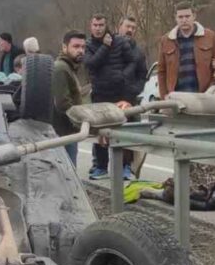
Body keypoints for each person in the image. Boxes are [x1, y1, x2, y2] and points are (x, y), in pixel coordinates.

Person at [85, 13, 139, 180]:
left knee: (123, 131)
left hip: (120, 94)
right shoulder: (88, 45)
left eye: (101, 25)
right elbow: (91, 64)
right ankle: (101, 167)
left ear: (106, 25)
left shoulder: (120, 42)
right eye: (95, 25)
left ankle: (126, 167)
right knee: (101, 133)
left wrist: (124, 76)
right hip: (100, 94)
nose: (98, 28)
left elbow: (132, 61)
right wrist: (105, 47)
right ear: (91, 26)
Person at [157, 1, 215, 96]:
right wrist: (164, 97)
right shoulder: (166, 40)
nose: (184, 20)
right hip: (176, 97)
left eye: (187, 16)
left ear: (194, 16)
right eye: (180, 17)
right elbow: (161, 71)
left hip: (203, 96)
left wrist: (211, 91)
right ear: (175, 18)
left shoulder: (209, 36)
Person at [52, 30, 90, 167]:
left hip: (68, 132)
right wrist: (83, 121)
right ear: (64, 47)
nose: (80, 50)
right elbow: (62, 103)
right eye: (76, 46)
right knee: (68, 174)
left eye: (83, 47)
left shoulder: (69, 67)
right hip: (63, 133)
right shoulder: (60, 68)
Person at [118, 15, 150, 99]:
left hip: (129, 100)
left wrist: (134, 90)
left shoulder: (139, 52)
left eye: (133, 28)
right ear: (120, 26)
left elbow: (142, 76)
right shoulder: (108, 47)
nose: (130, 30)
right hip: (107, 98)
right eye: (127, 26)